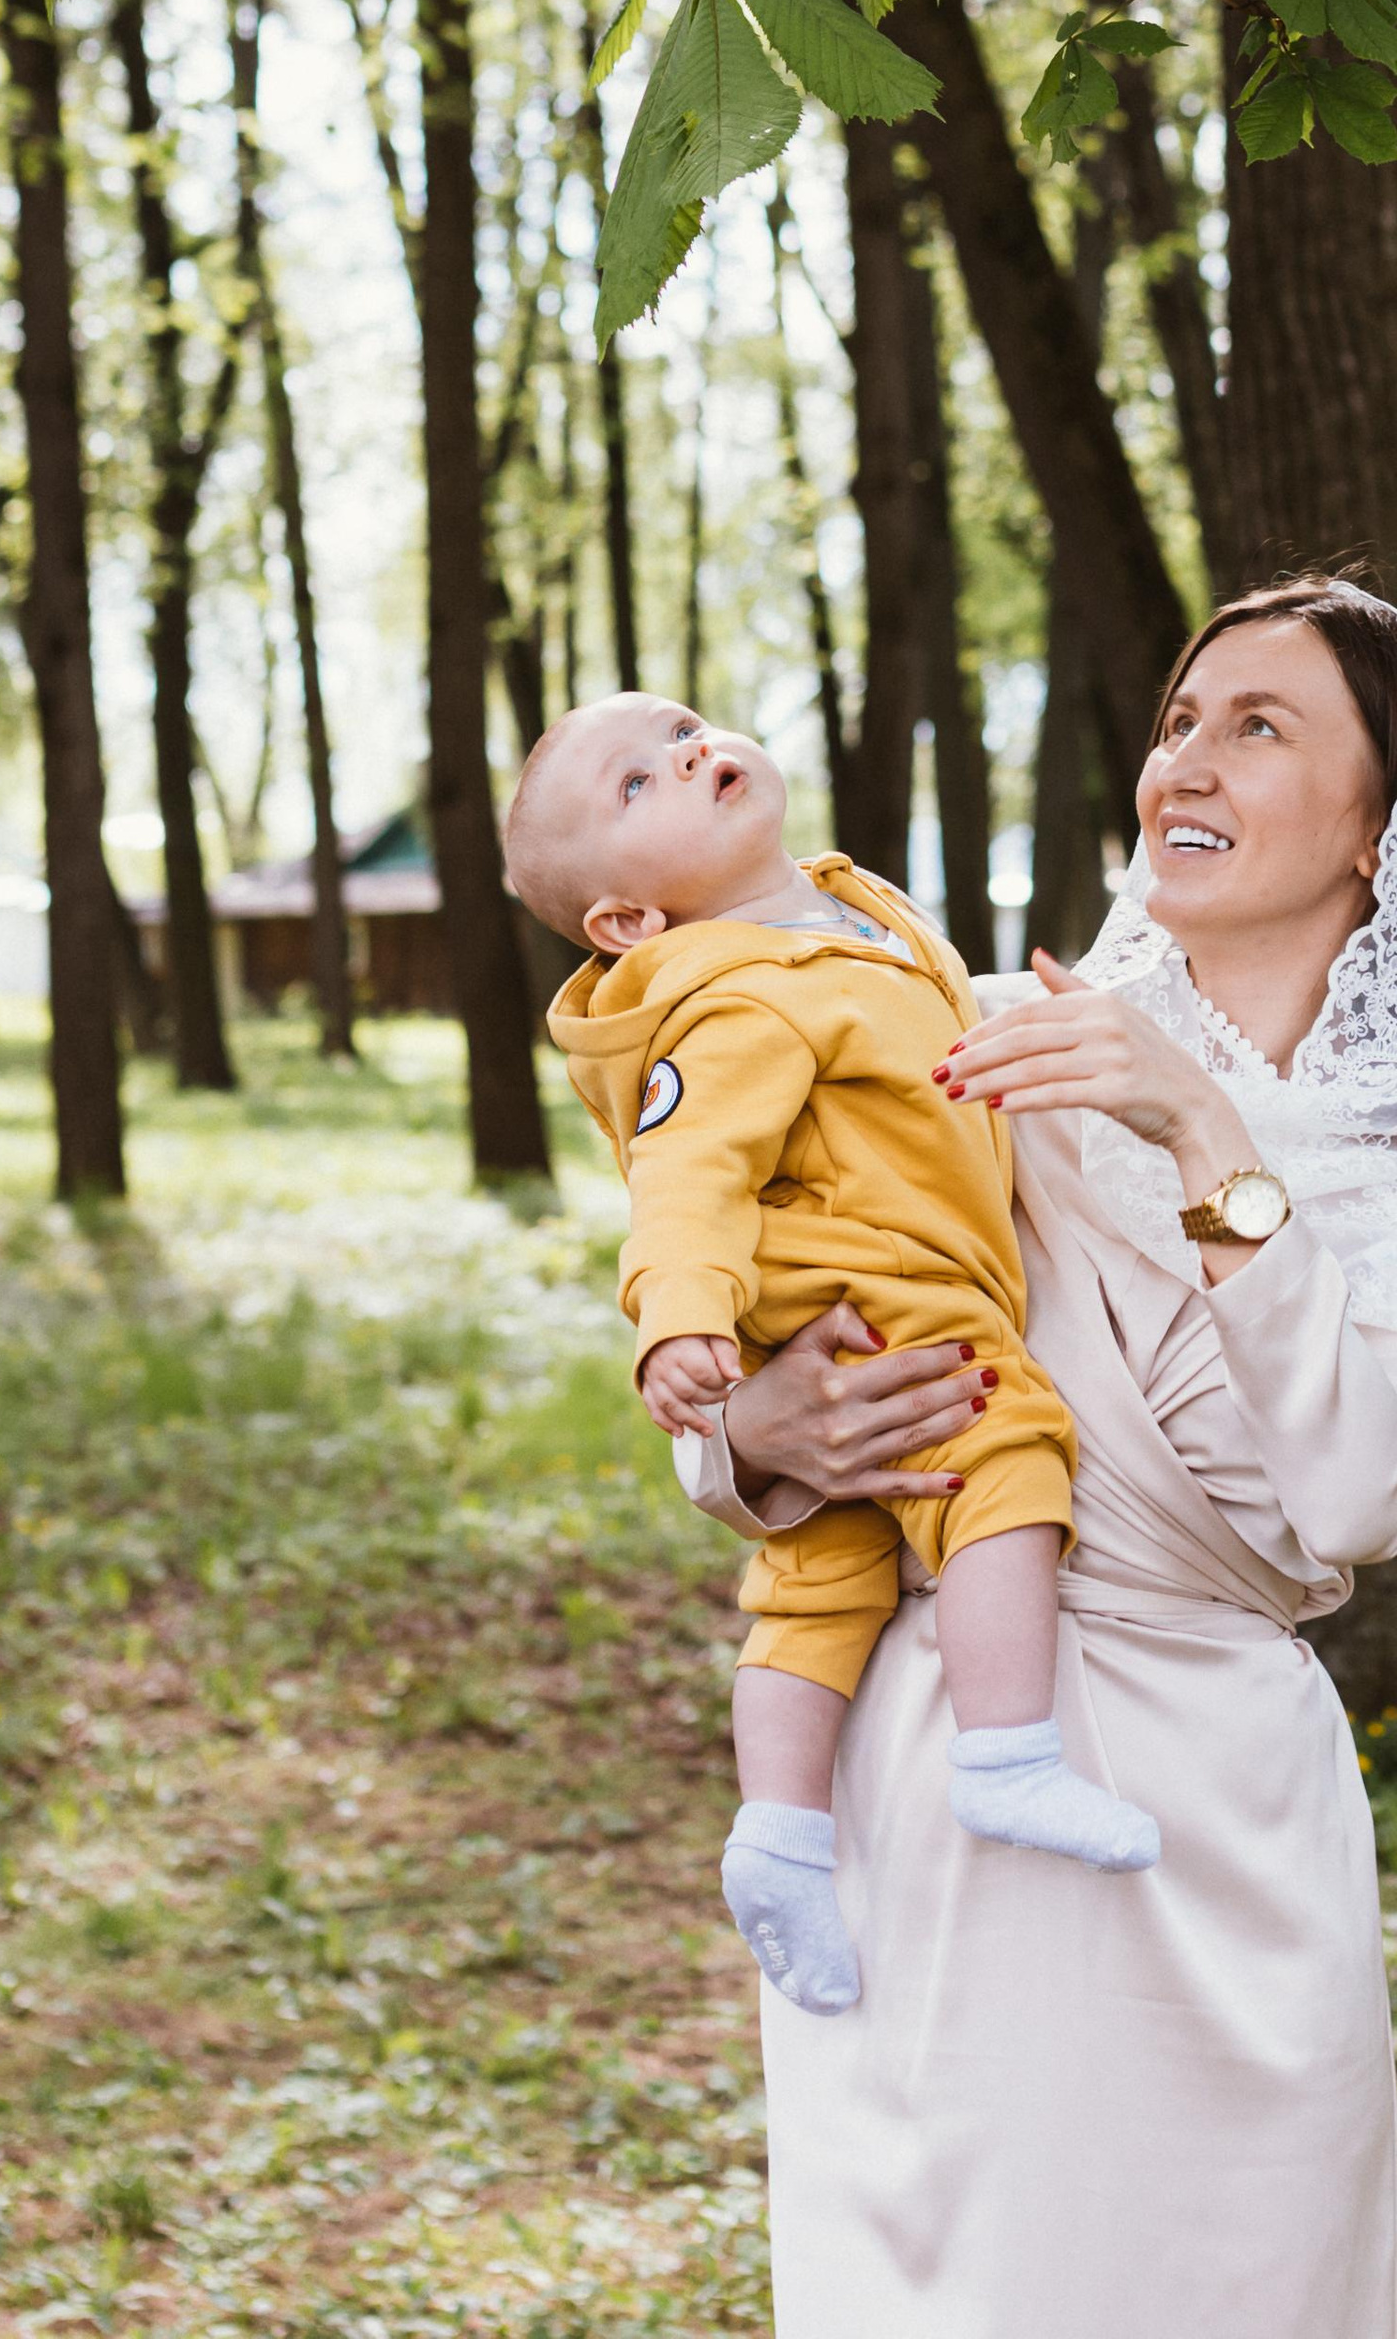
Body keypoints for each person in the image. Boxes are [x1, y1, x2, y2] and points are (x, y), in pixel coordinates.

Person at [673, 575, 1397, 2338]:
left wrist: (1194, 1116)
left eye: (1262, 726)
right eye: (1183, 717)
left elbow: (1354, 1496)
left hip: (1215, 1813)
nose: (1192, 754)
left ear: (1379, 830)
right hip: (940, 1773)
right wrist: (757, 1432)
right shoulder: (981, 1051)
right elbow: (783, 1320)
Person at [506, 693, 1159, 2021]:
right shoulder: (737, 999)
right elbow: (687, 1175)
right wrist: (679, 1317)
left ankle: (780, 1839)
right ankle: (1007, 1750)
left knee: (820, 1571)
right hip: (887, 1300)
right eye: (639, 784)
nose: (690, 753)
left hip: (876, 1291)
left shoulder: (838, 913)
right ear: (627, 924)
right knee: (1006, 1456)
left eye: (682, 729)